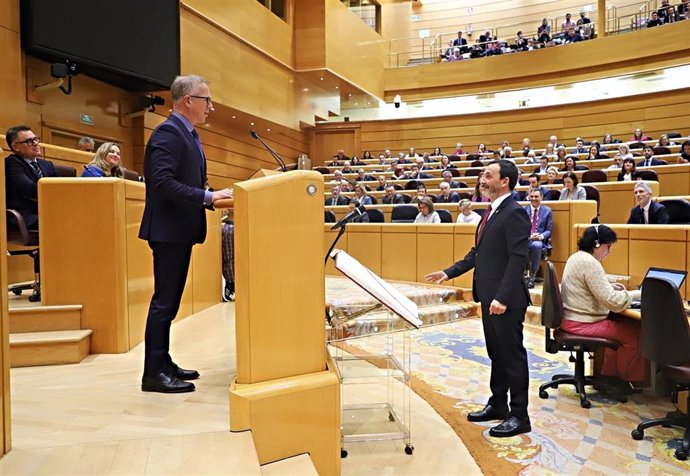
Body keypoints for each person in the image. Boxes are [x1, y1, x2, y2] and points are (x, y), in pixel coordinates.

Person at [138, 74, 233, 394]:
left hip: (179, 229)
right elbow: (162, 183)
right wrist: (208, 197)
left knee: (170, 301)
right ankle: (153, 372)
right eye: (207, 100)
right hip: (168, 230)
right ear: (188, 100)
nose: (211, 106)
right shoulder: (169, 132)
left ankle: (163, 362)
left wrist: (211, 195)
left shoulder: (186, 133)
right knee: (164, 303)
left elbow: (185, 180)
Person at [425, 160, 531, 438]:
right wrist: (449, 272)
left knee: (512, 356)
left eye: (487, 175)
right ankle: (499, 404)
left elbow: (518, 258)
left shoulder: (514, 212)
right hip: (489, 297)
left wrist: (503, 297)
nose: (482, 179)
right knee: (497, 354)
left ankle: (520, 415)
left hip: (504, 300)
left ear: (504, 181)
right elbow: (479, 253)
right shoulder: (492, 211)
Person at [560, 225, 644, 386]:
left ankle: (609, 376)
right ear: (597, 244)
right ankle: (624, 382)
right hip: (582, 323)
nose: (609, 251)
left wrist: (608, 285)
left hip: (571, 319)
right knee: (633, 335)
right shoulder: (590, 263)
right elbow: (613, 301)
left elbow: (588, 283)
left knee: (623, 327)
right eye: (608, 246)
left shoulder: (577, 257)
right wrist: (639, 293)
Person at [4, 125, 60, 230]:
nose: (35, 144)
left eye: (35, 139)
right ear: (15, 147)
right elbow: (31, 190)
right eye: (29, 141)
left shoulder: (47, 164)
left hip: (50, 210)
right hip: (28, 216)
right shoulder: (11, 163)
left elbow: (62, 188)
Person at [523, 188, 552, 289]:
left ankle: (532, 276)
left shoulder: (547, 211)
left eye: (536, 196)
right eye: (531, 196)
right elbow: (519, 227)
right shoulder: (523, 210)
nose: (533, 199)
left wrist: (540, 236)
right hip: (526, 238)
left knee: (536, 245)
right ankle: (522, 275)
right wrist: (527, 236)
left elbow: (548, 230)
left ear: (541, 197)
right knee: (518, 245)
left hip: (539, 240)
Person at [221, 209, 235, 301]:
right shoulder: (228, 229)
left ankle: (231, 284)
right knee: (230, 257)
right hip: (231, 276)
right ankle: (230, 284)